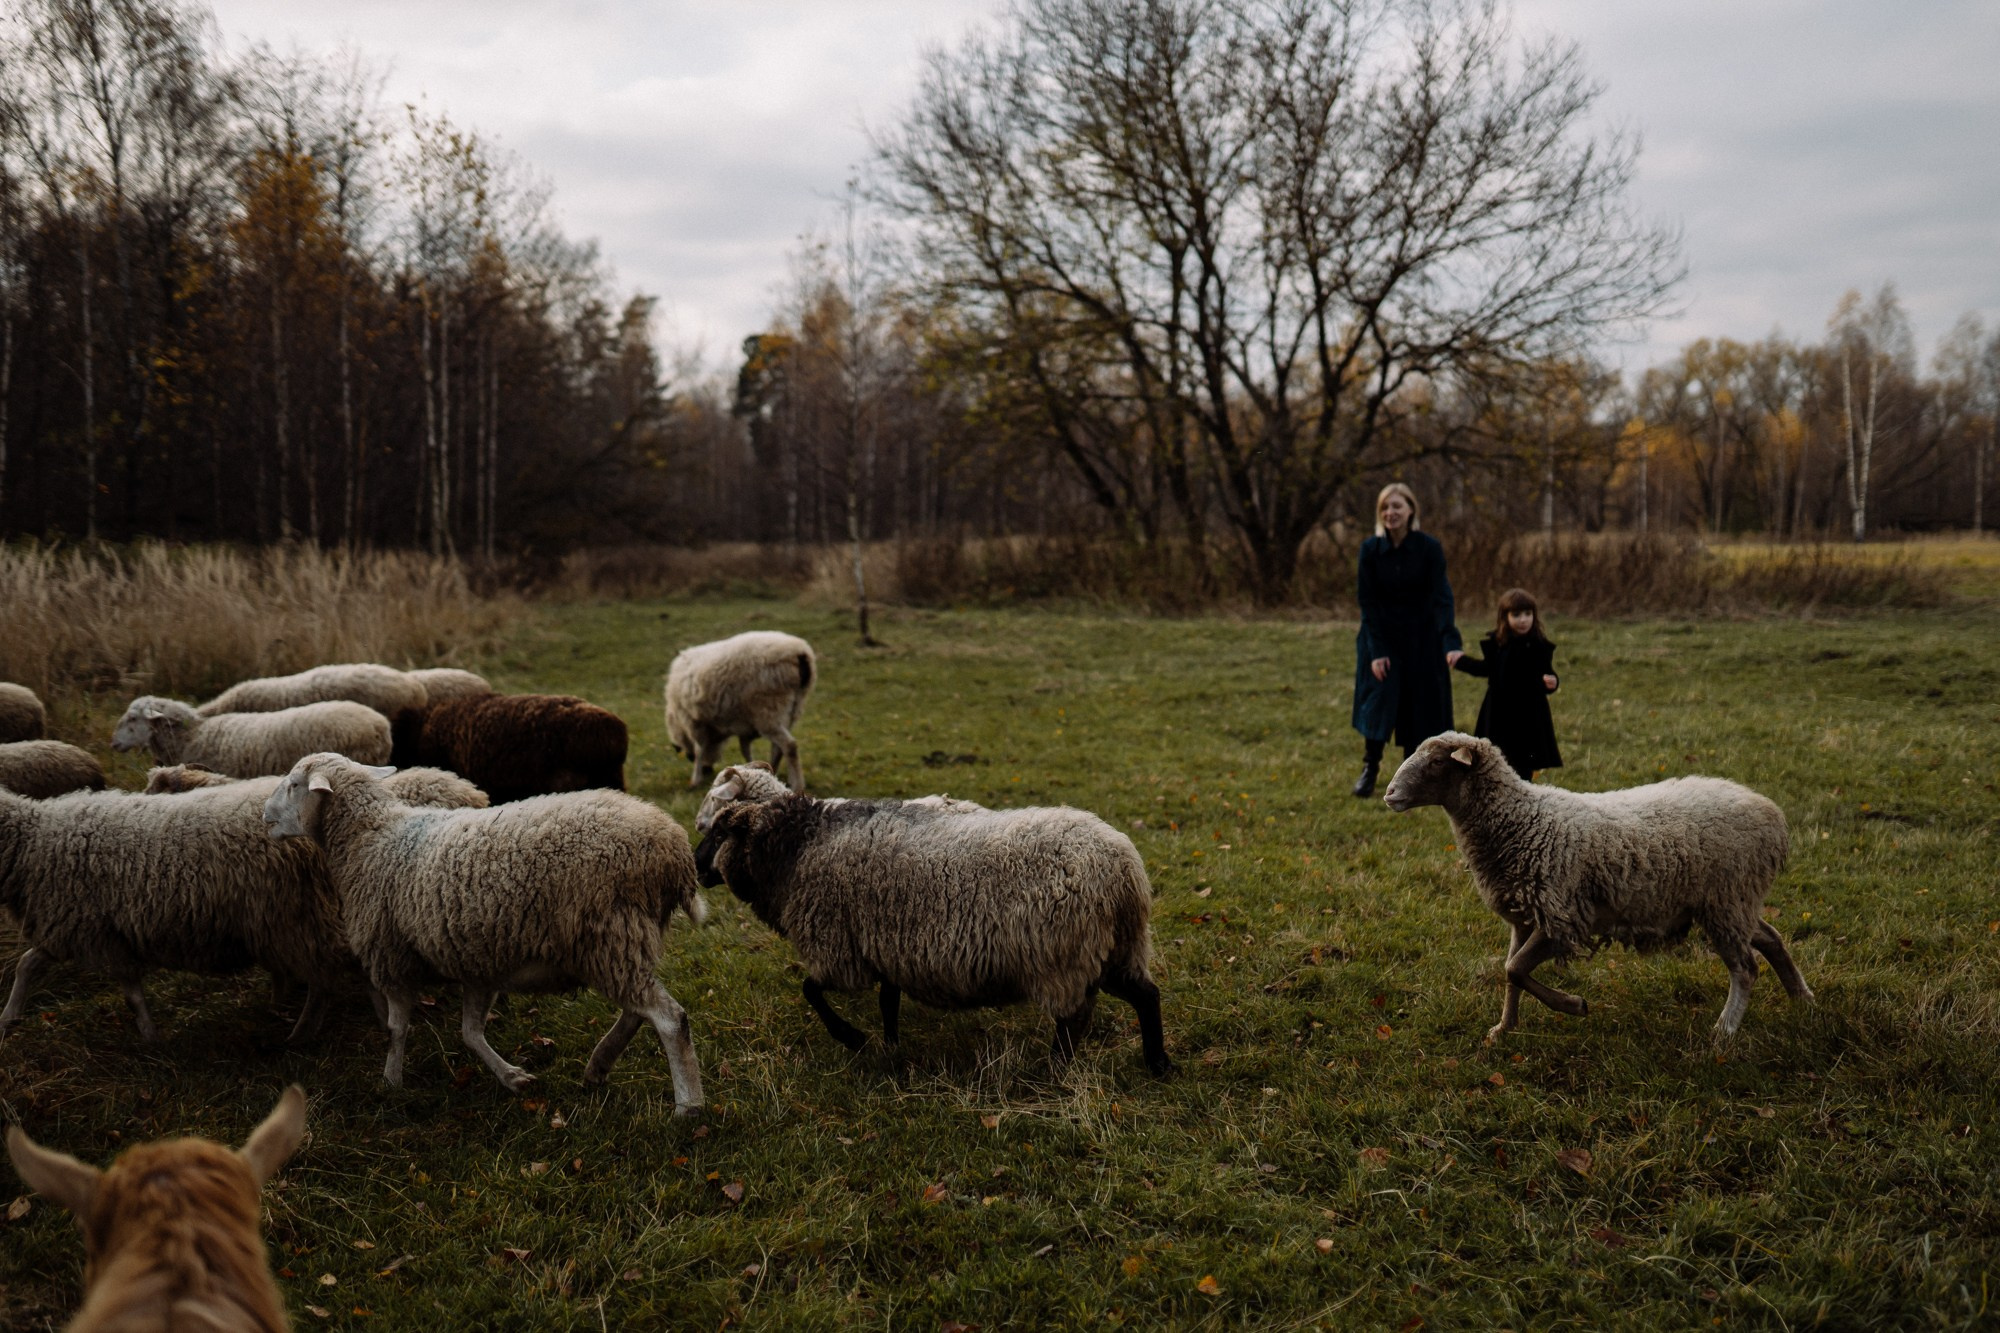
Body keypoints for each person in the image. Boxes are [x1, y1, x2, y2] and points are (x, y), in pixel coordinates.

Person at [1350, 482, 1462, 798]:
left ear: (1411, 509)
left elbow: (1442, 596)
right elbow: (1367, 603)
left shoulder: (1428, 548)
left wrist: (1449, 642)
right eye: (1385, 507)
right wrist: (1377, 651)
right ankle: (1370, 768)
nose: (1391, 513)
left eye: (1397, 506)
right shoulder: (1370, 551)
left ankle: (1414, 779)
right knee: (1380, 705)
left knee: (1421, 708)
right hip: (1380, 640)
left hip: (1422, 641)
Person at [1453, 587, 1562, 781]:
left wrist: (1552, 682)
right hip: (1499, 715)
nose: (1523, 620)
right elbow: (1485, 668)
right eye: (1516, 614)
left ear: (1534, 616)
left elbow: (1548, 674)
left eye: (1528, 614)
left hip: (1530, 716)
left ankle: (1523, 797)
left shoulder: (1539, 646)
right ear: (1505, 617)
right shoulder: (1499, 646)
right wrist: (1460, 661)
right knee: (1498, 759)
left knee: (1524, 765)